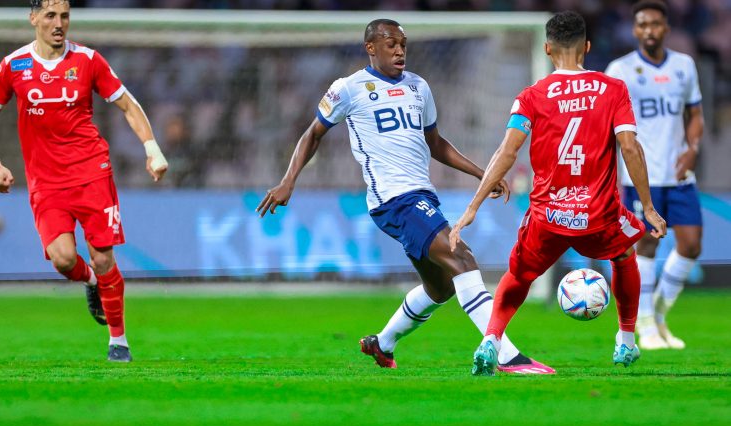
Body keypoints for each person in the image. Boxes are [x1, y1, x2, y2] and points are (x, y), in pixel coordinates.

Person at [257, 18, 554, 374]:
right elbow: (312, 134)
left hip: (419, 195)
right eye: (390, 44)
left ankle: (382, 344)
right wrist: (289, 180)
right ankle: (505, 354)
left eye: (403, 44)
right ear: (371, 48)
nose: (399, 51)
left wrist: (483, 175)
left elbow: (436, 143)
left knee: (441, 287)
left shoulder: (418, 86)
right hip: (393, 199)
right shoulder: (349, 88)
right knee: (463, 258)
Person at [449, 11, 667, 376]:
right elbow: (630, 147)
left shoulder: (531, 97)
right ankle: (626, 342)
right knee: (626, 250)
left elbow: (507, 151)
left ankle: (491, 339)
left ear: (548, 49)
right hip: (599, 215)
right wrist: (647, 207)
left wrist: (473, 206)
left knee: (518, 275)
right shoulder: (612, 89)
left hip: (548, 216)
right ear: (587, 47)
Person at [0, 0, 168, 362]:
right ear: (33, 18)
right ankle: (94, 285)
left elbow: (128, 104)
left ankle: (119, 341)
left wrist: (152, 148)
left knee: (102, 256)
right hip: (46, 182)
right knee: (63, 258)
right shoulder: (13, 65)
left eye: (64, 16)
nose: (58, 23)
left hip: (91, 171)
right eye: (50, 16)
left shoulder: (88, 61)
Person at [605, 0, 704, 350]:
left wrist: (692, 148)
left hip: (678, 172)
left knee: (691, 245)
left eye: (656, 24)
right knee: (644, 246)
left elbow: (695, 114)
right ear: (635, 30)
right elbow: (609, 127)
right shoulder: (619, 70)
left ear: (666, 28)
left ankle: (658, 313)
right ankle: (645, 324)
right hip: (639, 176)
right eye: (643, 24)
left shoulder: (684, 66)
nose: (649, 30)